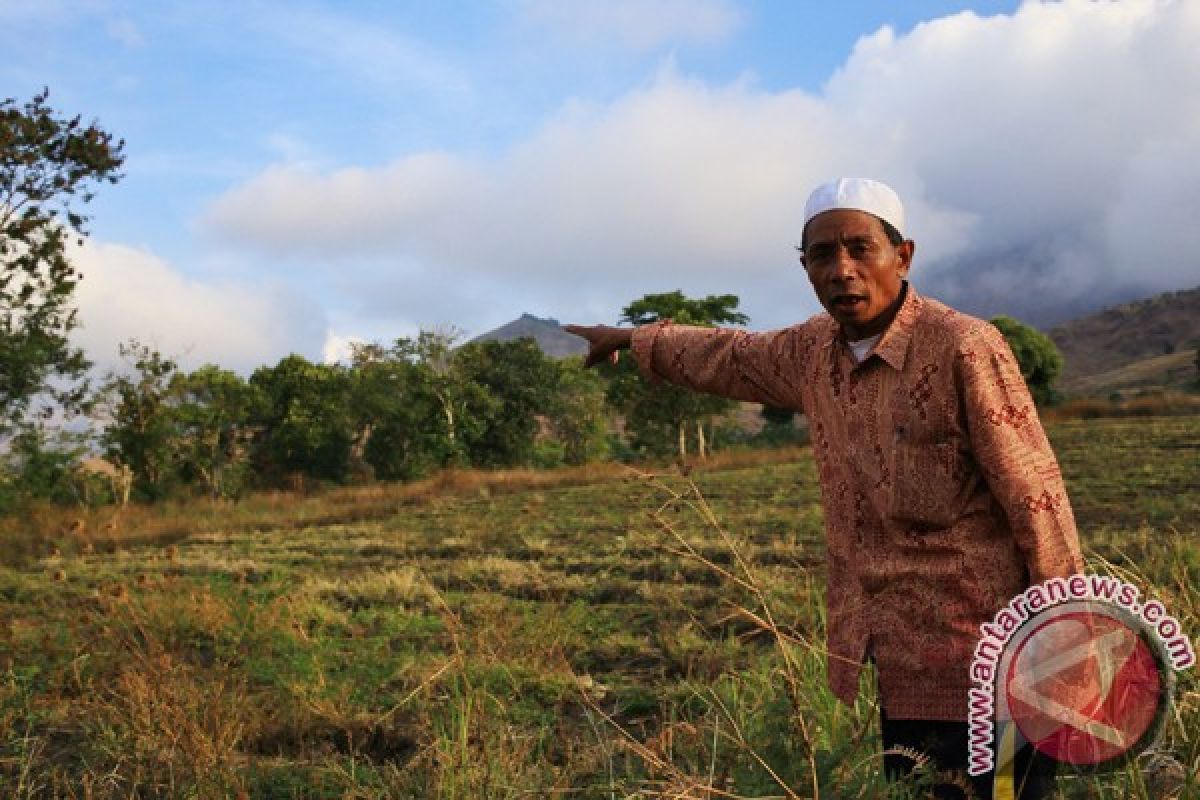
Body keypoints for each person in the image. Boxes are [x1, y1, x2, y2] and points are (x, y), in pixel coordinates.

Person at [566, 178, 1085, 799]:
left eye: (860, 249)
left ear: (904, 255)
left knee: (1008, 796)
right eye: (821, 255)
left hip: (995, 656)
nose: (841, 270)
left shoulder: (965, 348)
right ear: (805, 265)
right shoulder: (813, 351)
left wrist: (1065, 632)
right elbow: (731, 355)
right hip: (897, 658)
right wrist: (633, 338)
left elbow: (1035, 492)